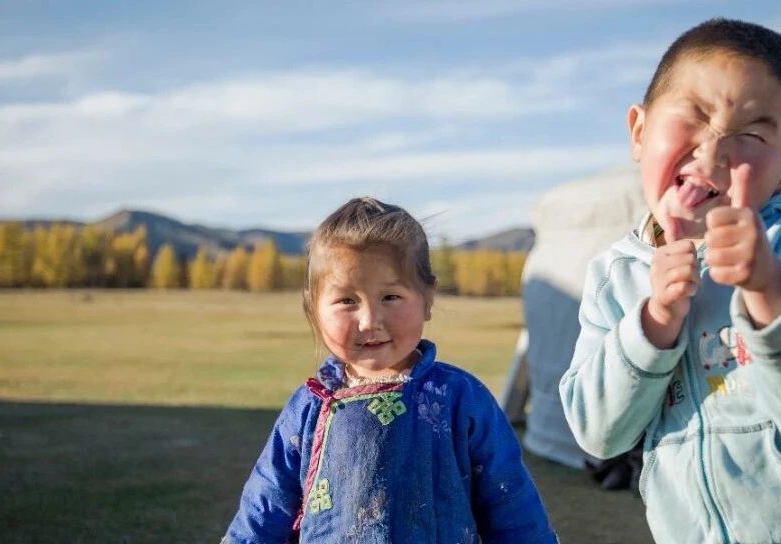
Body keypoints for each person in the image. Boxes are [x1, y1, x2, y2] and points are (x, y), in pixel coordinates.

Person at [559, 18, 781, 543]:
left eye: (752, 134)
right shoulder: (615, 278)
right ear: (640, 132)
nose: (714, 151)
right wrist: (654, 321)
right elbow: (600, 434)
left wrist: (768, 288)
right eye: (695, 116)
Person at [224, 197, 556, 543]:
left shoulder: (461, 399)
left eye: (391, 297)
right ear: (314, 308)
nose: (369, 321)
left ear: (428, 298)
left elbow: (513, 507)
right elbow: (265, 507)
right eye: (347, 301)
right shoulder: (309, 407)